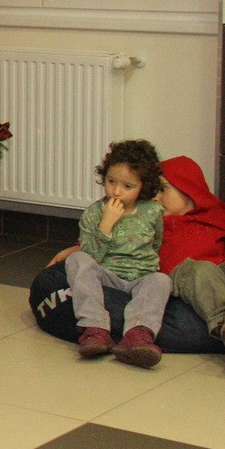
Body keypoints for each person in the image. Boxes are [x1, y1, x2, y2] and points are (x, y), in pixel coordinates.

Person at [44, 155, 225, 371]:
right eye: (152, 190)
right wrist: (77, 248)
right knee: (198, 267)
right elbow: (118, 243)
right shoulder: (148, 219)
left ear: (189, 190)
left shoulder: (219, 215)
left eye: (163, 189)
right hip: (187, 282)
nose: (155, 197)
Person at [63, 140, 169, 367]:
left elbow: (156, 243)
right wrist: (106, 224)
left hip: (141, 276)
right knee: (76, 259)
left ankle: (137, 336)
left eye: (127, 186)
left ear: (143, 186)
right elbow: (89, 255)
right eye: (111, 181)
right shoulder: (94, 213)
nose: (117, 191)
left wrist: (147, 268)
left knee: (161, 280)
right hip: (106, 273)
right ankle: (95, 329)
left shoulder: (152, 211)